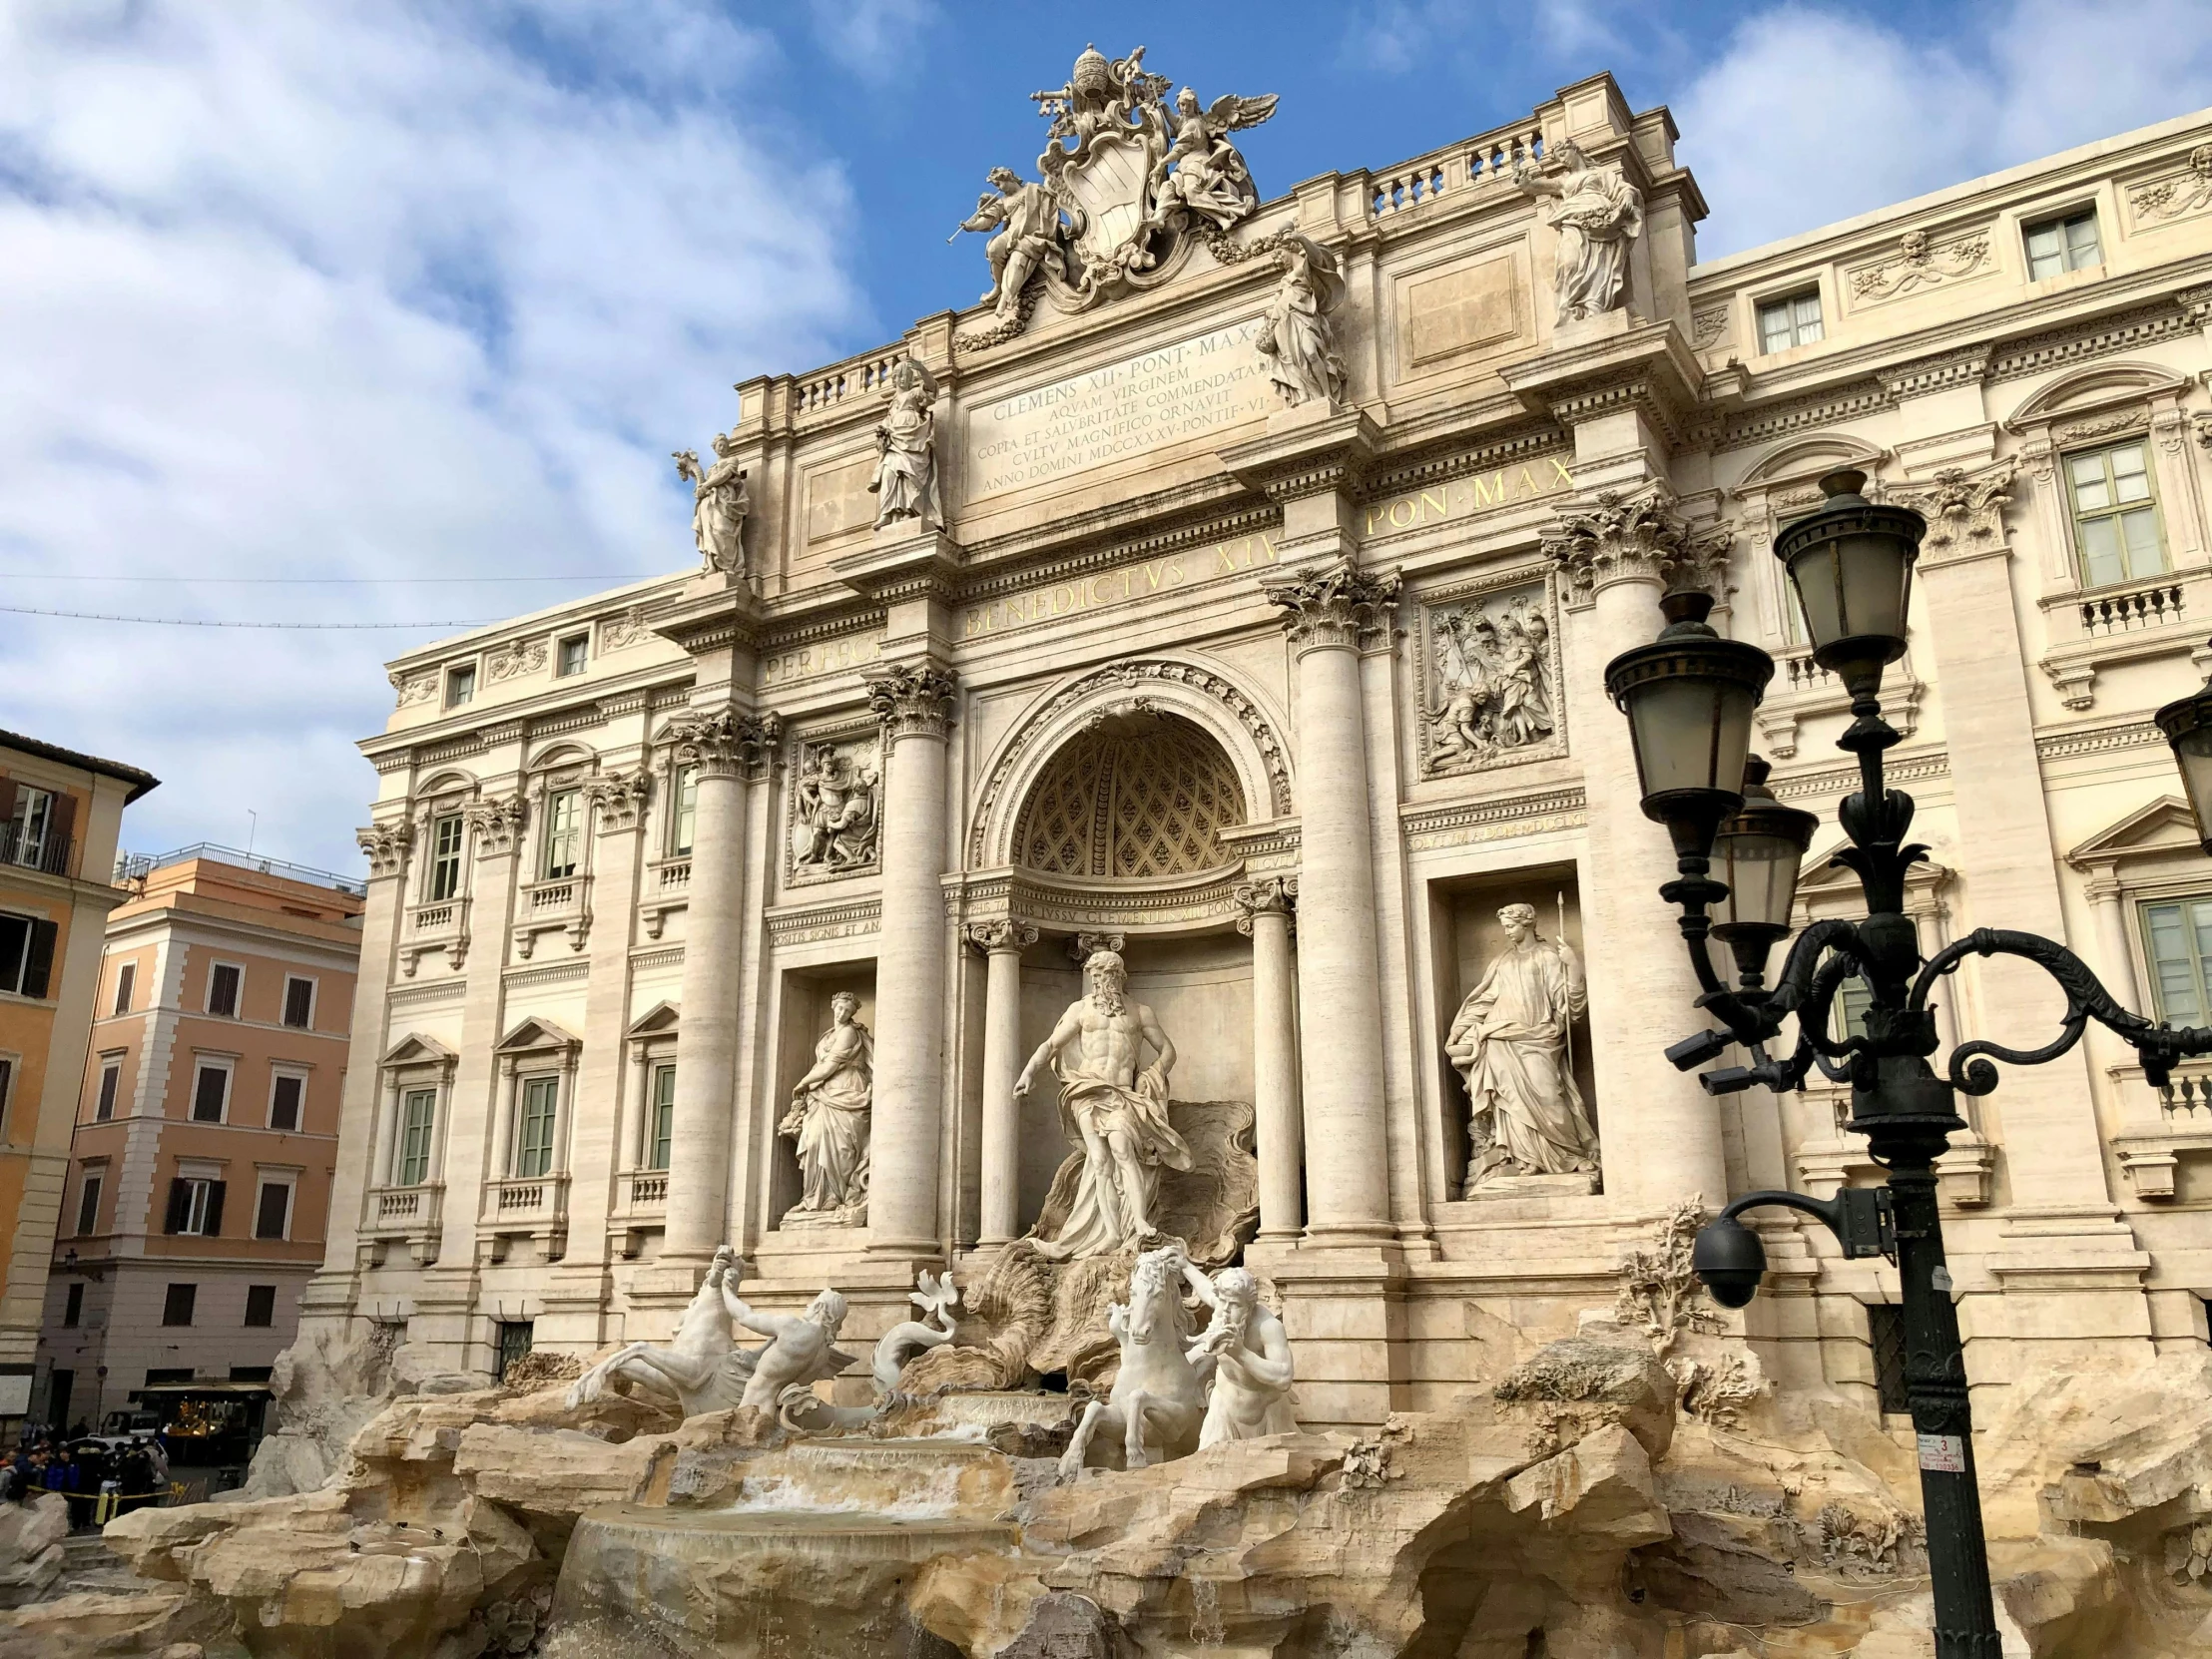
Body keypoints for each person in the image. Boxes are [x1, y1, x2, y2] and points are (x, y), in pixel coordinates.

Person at [1015, 949, 1192, 1261]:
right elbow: (1051, 1045)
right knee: (1099, 1161)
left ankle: (1137, 1221)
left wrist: (1151, 1075)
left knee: (1123, 1151)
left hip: (1122, 1093)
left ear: (1117, 976)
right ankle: (1111, 1232)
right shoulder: (1080, 1010)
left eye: (1103, 975)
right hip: (1087, 1090)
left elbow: (1168, 1051)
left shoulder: (1140, 1012)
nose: (1098, 982)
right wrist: (1028, 1073)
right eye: (1094, 976)